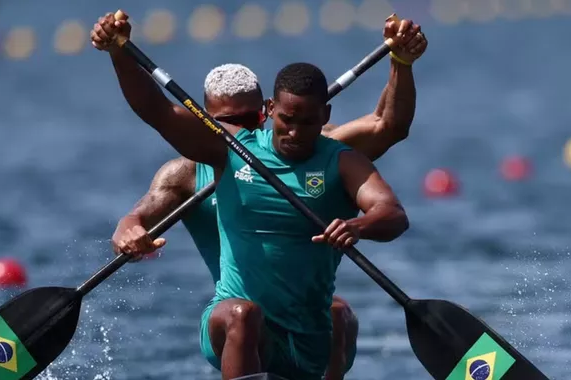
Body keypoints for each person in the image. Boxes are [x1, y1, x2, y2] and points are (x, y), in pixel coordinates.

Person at [90, 11, 425, 380]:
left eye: (247, 120)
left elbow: (388, 132)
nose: (295, 134)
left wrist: (401, 62)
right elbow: (157, 112)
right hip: (239, 322)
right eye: (222, 122)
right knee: (242, 314)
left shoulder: (333, 153)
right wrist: (119, 51)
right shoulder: (215, 154)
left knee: (338, 312)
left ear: (263, 113)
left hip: (305, 328)